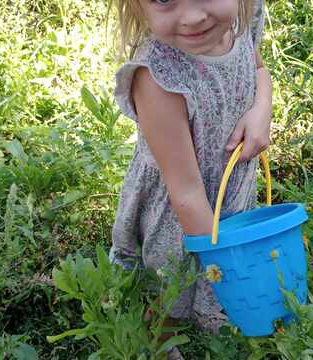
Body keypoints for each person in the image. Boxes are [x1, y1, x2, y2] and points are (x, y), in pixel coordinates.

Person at [108, 0, 272, 342]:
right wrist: (231, 266)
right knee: (173, 286)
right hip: (178, 212)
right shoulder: (159, 78)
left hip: (229, 188)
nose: (194, 16)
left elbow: (258, 68)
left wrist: (261, 108)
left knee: (212, 271)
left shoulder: (241, 19)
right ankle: (159, 340)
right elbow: (185, 192)